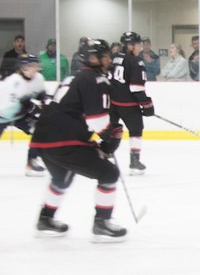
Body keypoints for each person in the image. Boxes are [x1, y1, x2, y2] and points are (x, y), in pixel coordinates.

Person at [30, 38, 128, 241]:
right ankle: (102, 223)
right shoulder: (95, 79)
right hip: (65, 141)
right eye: (105, 56)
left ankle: (45, 218)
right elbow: (97, 122)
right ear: (93, 59)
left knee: (61, 178)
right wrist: (112, 135)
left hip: (42, 140)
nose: (108, 59)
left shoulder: (73, 77)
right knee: (109, 173)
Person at [109, 31, 154, 176]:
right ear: (130, 46)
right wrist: (147, 105)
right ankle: (134, 161)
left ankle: (105, 155)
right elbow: (136, 88)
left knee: (111, 131)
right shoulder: (136, 62)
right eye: (137, 44)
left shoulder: (114, 58)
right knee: (136, 130)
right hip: (128, 105)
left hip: (112, 103)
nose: (139, 47)